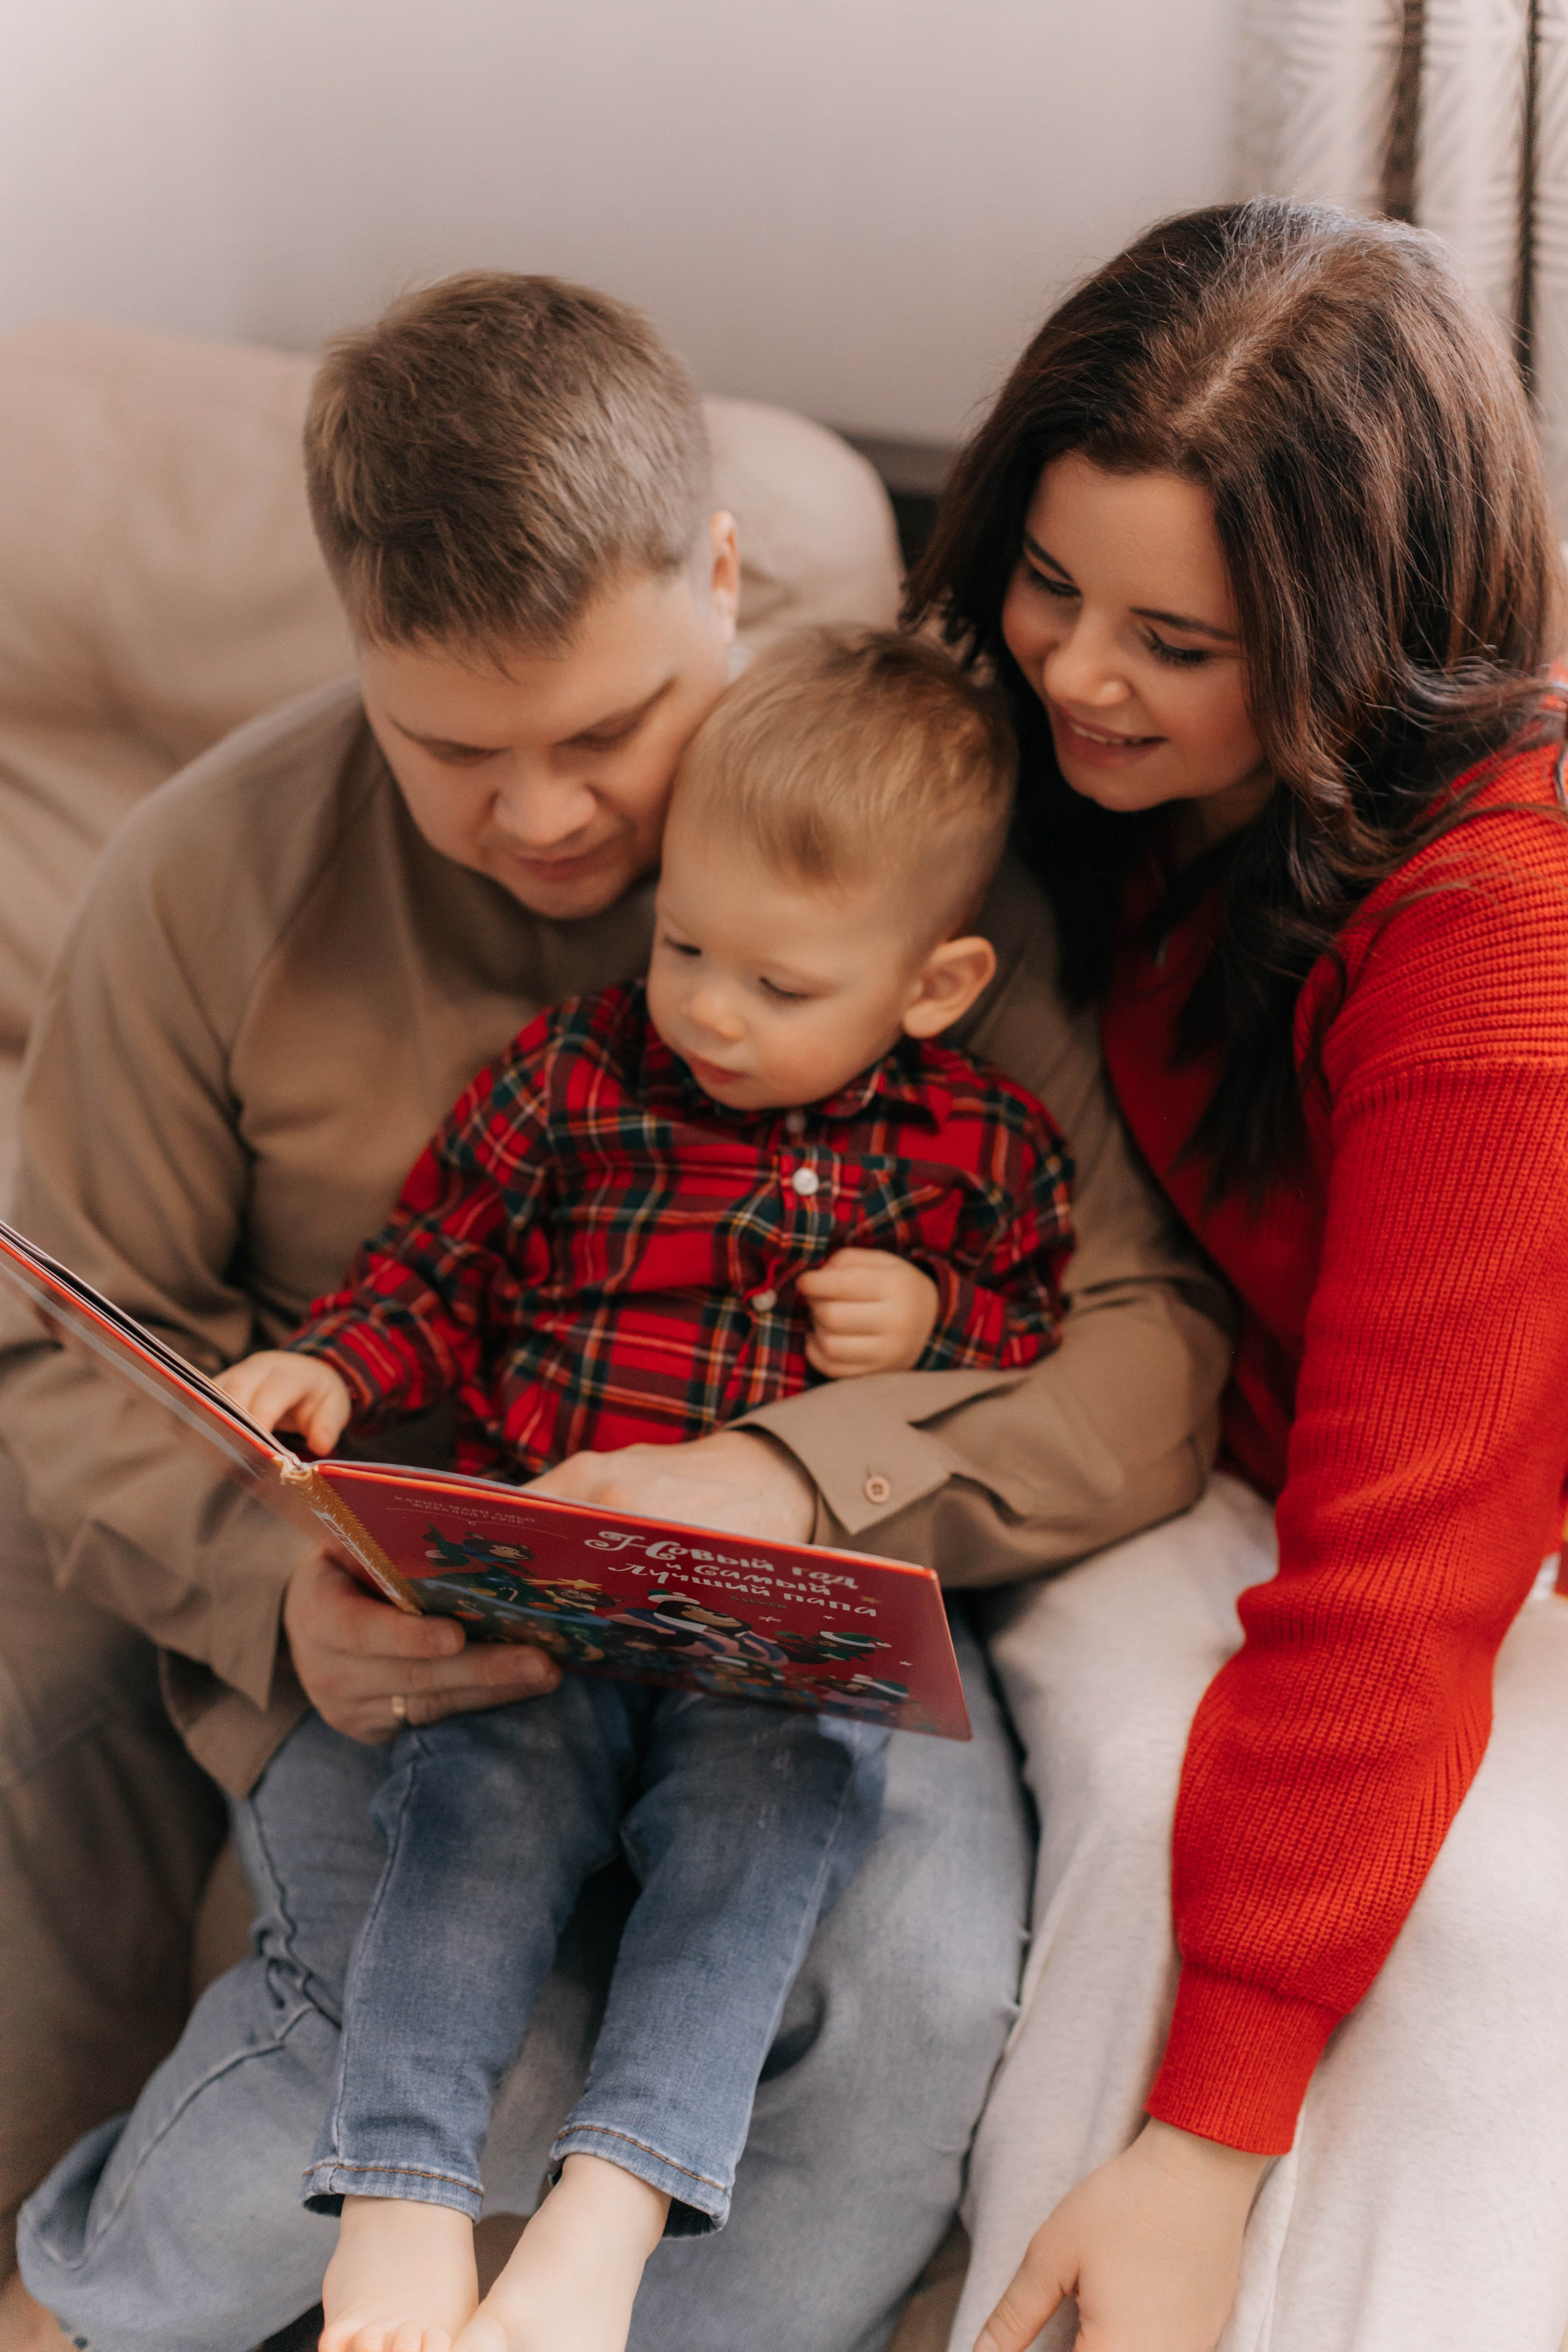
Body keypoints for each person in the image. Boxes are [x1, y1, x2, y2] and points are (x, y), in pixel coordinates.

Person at [2, 273, 1231, 2352]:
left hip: (823, 1606)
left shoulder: (908, 854)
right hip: (431, 1624)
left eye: (608, 731)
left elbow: (1145, 1338)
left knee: (915, 2004)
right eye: (454, 751)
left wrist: (789, 1470)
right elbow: (70, 1341)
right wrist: (278, 1594)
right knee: (470, 2017)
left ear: (724, 583)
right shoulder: (199, 883)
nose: (549, 815)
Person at [213, 626, 1073, 2352]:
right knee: (474, 1812)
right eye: (684, 944)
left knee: (771, 1840)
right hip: (556, 1571)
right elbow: (433, 1266)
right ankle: (399, 2192)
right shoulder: (574, 1080)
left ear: (934, 984)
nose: (711, 1010)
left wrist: (936, 1317)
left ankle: (609, 2211)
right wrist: (340, 1365)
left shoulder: (976, 1148)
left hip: (770, 1631)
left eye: (779, 983)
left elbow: (1037, 1334)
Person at [897, 198, 1568, 2351]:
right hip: (1249, 1456)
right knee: (1127, 1782)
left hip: (1484, 1528)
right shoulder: (1071, 763)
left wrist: (1206, 2141)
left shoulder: (1493, 948)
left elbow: (1410, 1567)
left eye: (1178, 647)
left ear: (1370, 643)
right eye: (1053, 588)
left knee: (1451, 1971)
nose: (1083, 674)